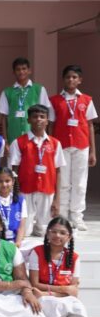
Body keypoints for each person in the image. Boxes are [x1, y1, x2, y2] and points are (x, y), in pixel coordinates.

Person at [49, 65, 98, 231]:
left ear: (80, 80)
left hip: (81, 145)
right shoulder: (55, 100)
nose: (71, 80)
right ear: (63, 79)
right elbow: (51, 125)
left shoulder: (86, 100)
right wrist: (51, 147)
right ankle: (62, 215)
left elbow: (90, 125)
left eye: (74, 77)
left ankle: (77, 216)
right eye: (68, 77)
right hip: (61, 146)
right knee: (63, 181)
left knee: (80, 183)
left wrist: (93, 151)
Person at [28, 217, 89, 317]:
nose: (57, 235)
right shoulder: (37, 252)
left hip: (56, 296)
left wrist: (49, 293)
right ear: (47, 233)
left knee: (78, 308)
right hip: (42, 297)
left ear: (69, 236)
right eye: (54, 231)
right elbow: (35, 284)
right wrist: (63, 289)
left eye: (62, 233)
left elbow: (73, 291)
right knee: (48, 302)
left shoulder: (74, 257)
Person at [9, 104, 66, 236]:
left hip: (47, 190)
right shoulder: (19, 142)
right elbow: (14, 170)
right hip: (25, 190)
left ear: (47, 121)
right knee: (24, 231)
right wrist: (15, 194)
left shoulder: (55, 143)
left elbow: (58, 171)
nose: (38, 119)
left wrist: (57, 199)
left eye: (42, 117)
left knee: (45, 232)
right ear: (28, 120)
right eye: (35, 117)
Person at [0, 57, 51, 145]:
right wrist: (5, 141)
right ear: (13, 72)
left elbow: (45, 115)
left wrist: (45, 137)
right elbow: (4, 118)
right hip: (13, 138)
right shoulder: (7, 92)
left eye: (24, 69)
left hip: (35, 138)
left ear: (29, 71)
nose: (21, 72)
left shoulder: (39, 89)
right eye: (18, 69)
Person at [0, 167, 27, 247]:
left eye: (7, 181)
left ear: (13, 181)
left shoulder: (21, 201)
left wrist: (17, 243)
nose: (4, 184)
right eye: (0, 181)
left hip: (16, 242)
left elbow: (22, 226)